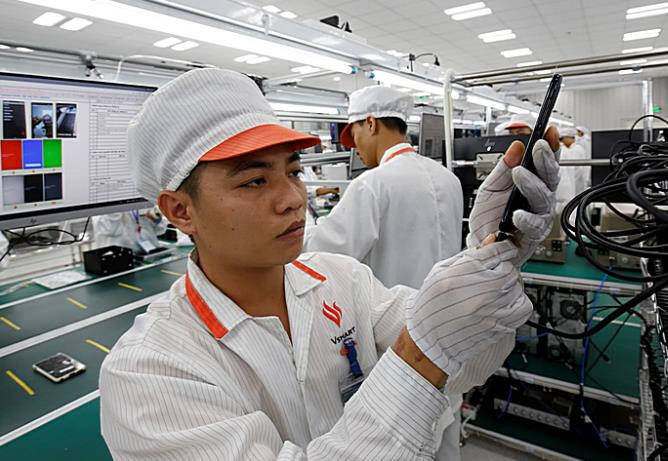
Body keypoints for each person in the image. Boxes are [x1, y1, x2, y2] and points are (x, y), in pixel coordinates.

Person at [99, 68, 560, 460]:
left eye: (294, 171)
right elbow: (428, 355)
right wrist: (421, 354)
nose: (293, 199)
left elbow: (465, 366)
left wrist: (490, 263)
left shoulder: (342, 279)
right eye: (255, 180)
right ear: (180, 211)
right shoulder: (149, 373)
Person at [303, 86, 463, 290]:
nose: (355, 147)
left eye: (354, 134)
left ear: (371, 124)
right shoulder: (449, 178)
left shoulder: (371, 185)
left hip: (396, 308)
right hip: (446, 303)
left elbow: (324, 253)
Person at [92, 207, 167, 254]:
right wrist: (117, 206)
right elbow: (110, 230)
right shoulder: (101, 205)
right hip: (121, 260)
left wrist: (156, 218)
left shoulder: (141, 198)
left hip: (149, 255)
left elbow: (160, 230)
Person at [557, 126, 590, 207]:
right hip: (572, 184)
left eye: (563, 138)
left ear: (570, 137)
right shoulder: (566, 149)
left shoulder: (577, 149)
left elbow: (578, 170)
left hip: (577, 183)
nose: (562, 141)